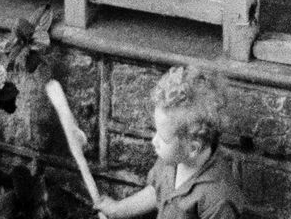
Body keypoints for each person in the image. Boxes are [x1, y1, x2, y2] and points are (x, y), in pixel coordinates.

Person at [94, 65, 240, 219]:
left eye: (163, 138)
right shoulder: (172, 159)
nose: (154, 141)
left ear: (192, 148)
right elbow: (156, 192)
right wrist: (119, 209)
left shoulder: (218, 198)